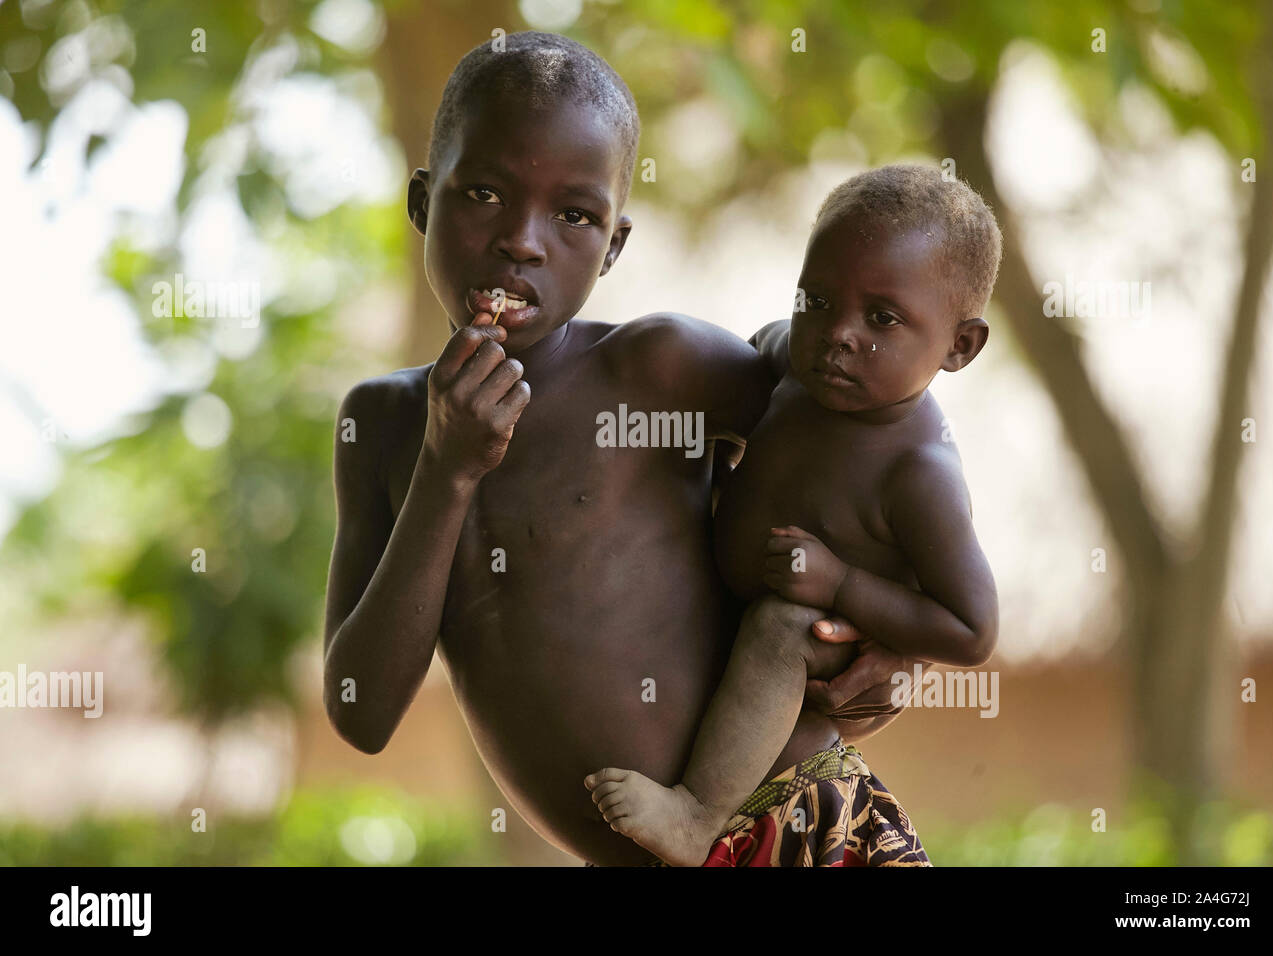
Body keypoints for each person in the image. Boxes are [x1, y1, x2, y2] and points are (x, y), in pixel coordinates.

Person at [322, 32, 915, 866]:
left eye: (574, 215)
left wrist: (905, 627)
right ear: (423, 203)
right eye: (483, 193)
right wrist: (446, 470)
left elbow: (879, 431)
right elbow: (361, 712)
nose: (523, 240)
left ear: (615, 246)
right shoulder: (384, 426)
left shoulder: (662, 369)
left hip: (803, 820)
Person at [586, 165, 1003, 866]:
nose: (837, 333)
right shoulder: (789, 364)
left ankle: (695, 815)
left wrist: (842, 586)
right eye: (817, 299)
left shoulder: (917, 473)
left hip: (824, 638)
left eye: (882, 318)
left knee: (782, 626)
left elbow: (972, 629)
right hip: (737, 606)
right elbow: (751, 348)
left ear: (959, 346)